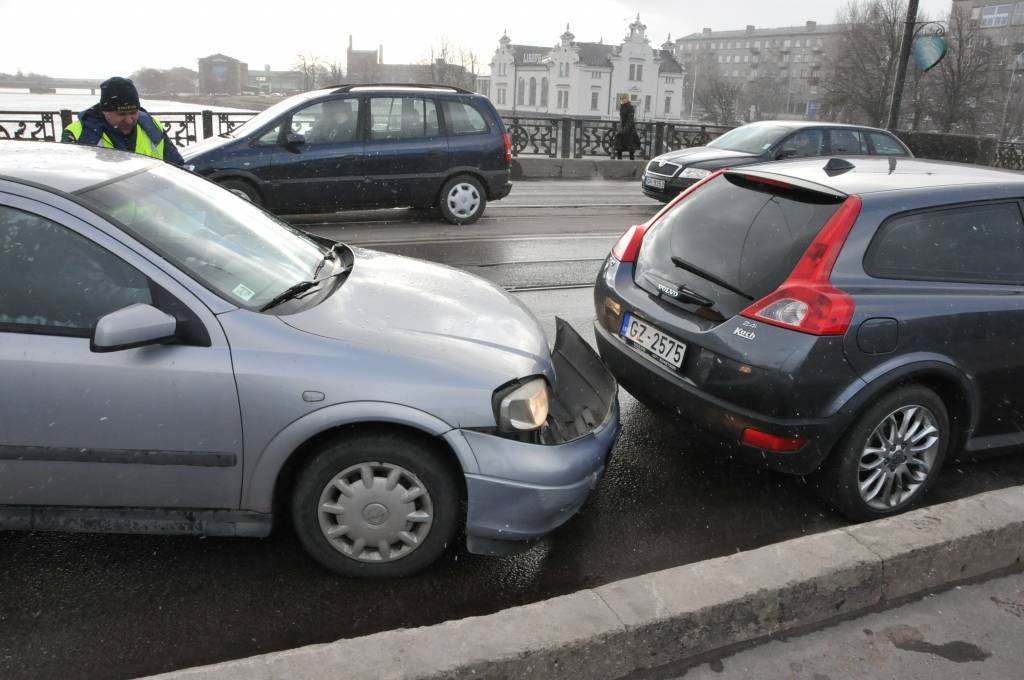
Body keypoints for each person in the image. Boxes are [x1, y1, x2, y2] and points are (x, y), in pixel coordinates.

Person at [61, 77, 184, 166]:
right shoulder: (76, 135)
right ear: (105, 111)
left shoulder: (151, 125)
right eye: (122, 114)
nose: (129, 120)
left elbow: (176, 166)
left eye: (134, 112)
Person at [613, 94, 641, 160]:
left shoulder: (630, 107)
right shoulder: (622, 107)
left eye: (624, 98)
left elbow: (630, 120)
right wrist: (620, 128)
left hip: (630, 130)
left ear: (627, 99)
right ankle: (619, 162)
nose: (623, 100)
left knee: (631, 149)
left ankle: (632, 163)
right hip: (622, 129)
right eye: (621, 99)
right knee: (619, 147)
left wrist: (625, 129)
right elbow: (621, 119)